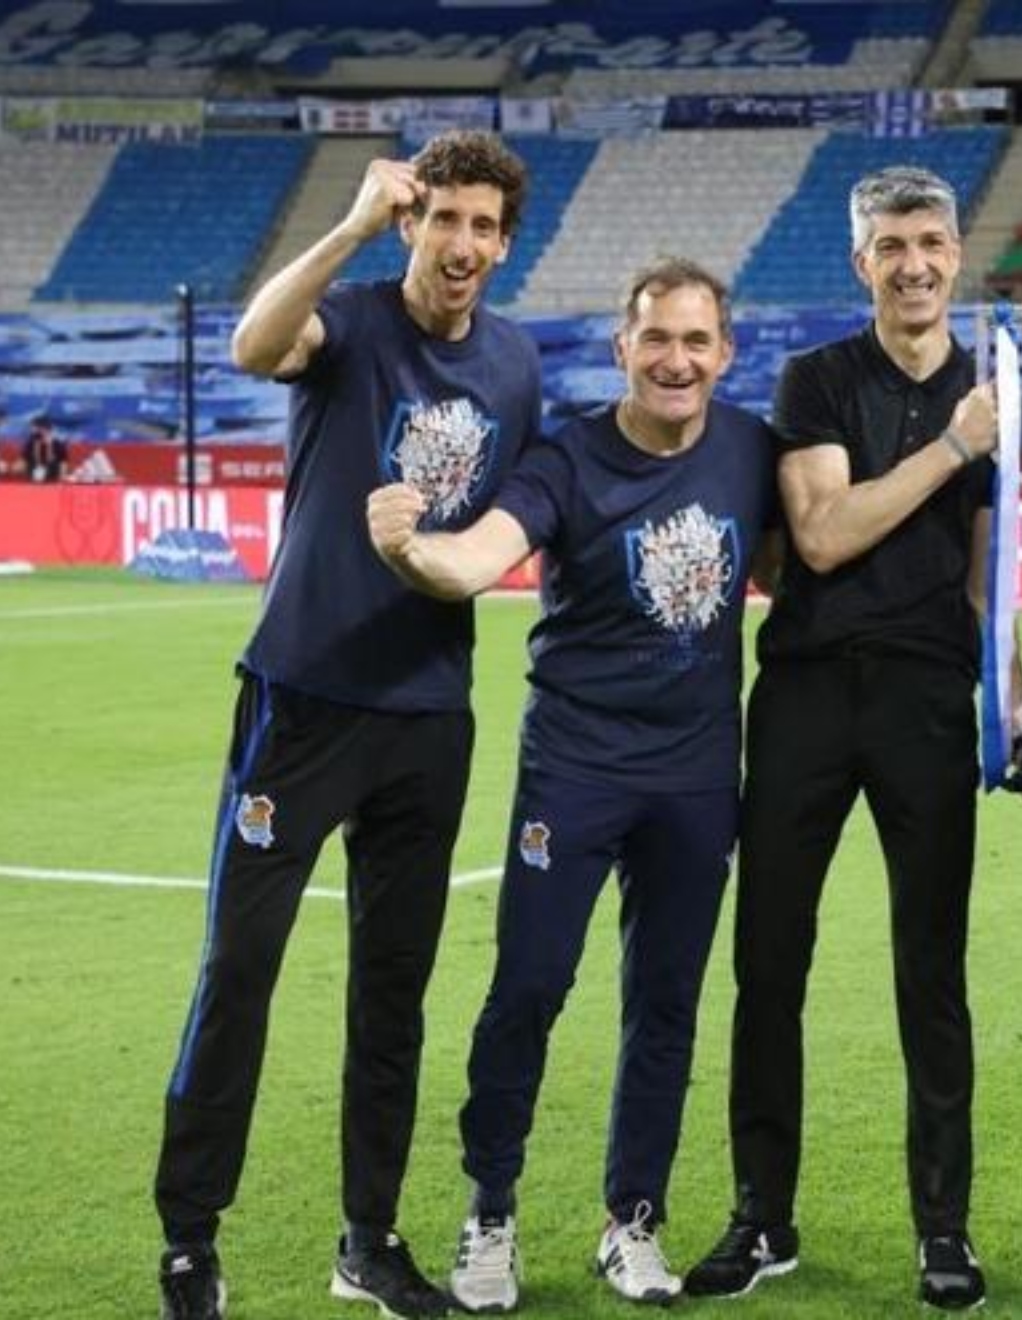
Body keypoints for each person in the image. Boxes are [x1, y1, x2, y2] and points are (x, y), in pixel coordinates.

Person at [153, 130, 540, 1320]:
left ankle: (368, 1239)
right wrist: (348, 221)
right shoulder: (354, 319)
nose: (463, 244)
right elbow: (254, 341)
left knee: (394, 993)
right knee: (241, 972)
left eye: (484, 226)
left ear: (505, 242)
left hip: (428, 719)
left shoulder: (518, 366)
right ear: (413, 224)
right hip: (303, 702)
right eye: (445, 221)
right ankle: (189, 1242)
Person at [365, 259, 777, 1314]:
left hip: (694, 779)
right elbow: (476, 562)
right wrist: (413, 548)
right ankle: (490, 1211)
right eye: (657, 340)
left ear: (725, 356)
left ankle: (632, 1220)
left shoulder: (748, 452)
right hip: (576, 769)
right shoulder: (566, 460)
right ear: (622, 348)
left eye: (696, 342)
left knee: (666, 1003)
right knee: (532, 987)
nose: (676, 360)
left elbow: (810, 552)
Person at [682, 165, 1004, 1312]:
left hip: (926, 703)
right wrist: (955, 447)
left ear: (956, 251)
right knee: (769, 965)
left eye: (930, 240)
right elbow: (818, 537)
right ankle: (761, 1218)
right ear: (860, 263)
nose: (913, 262)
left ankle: (944, 1230)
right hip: (810, 694)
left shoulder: (995, 388)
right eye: (891, 246)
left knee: (934, 971)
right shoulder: (818, 378)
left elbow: (985, 586)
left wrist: (1013, 719)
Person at [23, 416, 67, 483]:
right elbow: (25, 457)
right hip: (34, 468)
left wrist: (62, 475)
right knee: (37, 474)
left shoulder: (57, 442)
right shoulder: (32, 441)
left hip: (51, 470)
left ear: (42, 428)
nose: (32, 429)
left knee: (44, 473)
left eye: (34, 427)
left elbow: (63, 461)